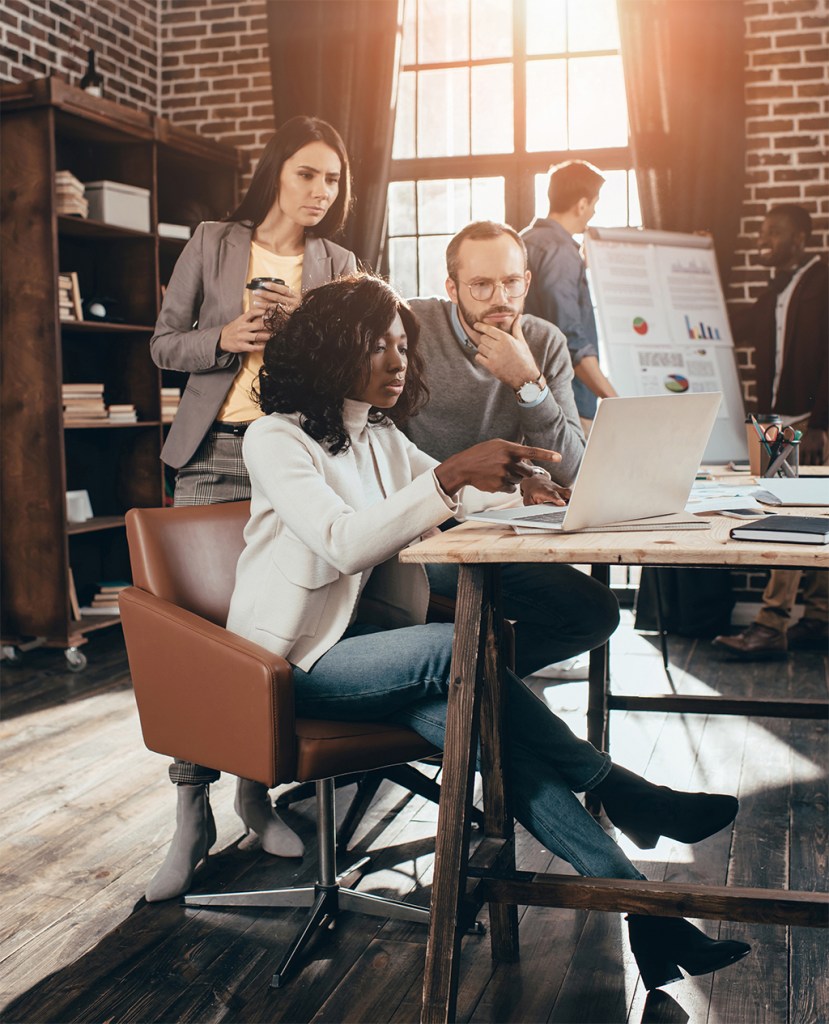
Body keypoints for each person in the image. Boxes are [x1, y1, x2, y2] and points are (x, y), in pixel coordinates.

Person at [226, 272, 749, 992]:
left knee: (494, 744)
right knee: (457, 650)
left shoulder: (376, 434)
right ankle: (620, 788)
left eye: (402, 345)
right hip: (301, 660)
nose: (396, 360)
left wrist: (512, 485)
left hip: (386, 655)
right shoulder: (274, 439)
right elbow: (344, 540)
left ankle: (646, 913)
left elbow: (452, 491)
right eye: (375, 345)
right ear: (326, 349)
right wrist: (448, 480)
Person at [145, 116, 358, 902]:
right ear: (277, 172)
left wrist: (309, 338)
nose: (320, 192)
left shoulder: (337, 262)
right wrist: (227, 335)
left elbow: (353, 367)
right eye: (307, 174)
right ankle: (190, 813)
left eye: (332, 180)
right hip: (209, 458)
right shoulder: (212, 241)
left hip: (291, 460)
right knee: (198, 639)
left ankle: (253, 794)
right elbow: (163, 345)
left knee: (266, 631)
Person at [405, 221, 620, 680]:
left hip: (504, 529)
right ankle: (466, 692)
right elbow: (372, 434)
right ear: (452, 287)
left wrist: (528, 382)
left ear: (527, 280)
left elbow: (573, 469)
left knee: (596, 614)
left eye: (510, 282)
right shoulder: (411, 327)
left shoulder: (544, 342)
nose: (499, 298)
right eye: (480, 285)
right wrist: (408, 516)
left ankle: (473, 687)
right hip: (422, 529)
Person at [713, 204, 828, 659]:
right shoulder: (777, 287)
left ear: (800, 239)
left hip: (808, 422)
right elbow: (736, 327)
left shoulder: (823, 280)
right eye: (763, 231)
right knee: (792, 519)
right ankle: (818, 618)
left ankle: (770, 624)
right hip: (775, 421)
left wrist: (821, 424)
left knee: (793, 523)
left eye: (774, 233)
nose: (764, 239)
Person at [520, 160, 618, 433]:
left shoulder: (523, 240)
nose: (595, 211)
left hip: (534, 393)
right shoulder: (560, 252)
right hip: (567, 401)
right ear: (582, 204)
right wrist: (613, 398)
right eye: (595, 203)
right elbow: (570, 336)